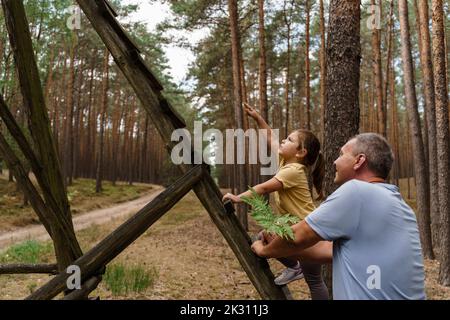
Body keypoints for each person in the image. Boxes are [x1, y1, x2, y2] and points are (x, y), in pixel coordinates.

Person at [251, 133, 426, 300]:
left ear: (359, 161)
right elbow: (327, 250)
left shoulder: (357, 191)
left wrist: (263, 250)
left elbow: (297, 236)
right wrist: (277, 244)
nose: (335, 161)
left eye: (341, 154)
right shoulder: (402, 207)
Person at [222, 103, 329, 300]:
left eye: (289, 139)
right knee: (315, 280)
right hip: (309, 229)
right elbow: (271, 137)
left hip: (303, 231)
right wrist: (258, 118)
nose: (283, 140)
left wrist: (238, 198)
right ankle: (295, 268)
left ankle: (294, 267)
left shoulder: (293, 170)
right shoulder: (288, 163)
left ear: (300, 152)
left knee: (263, 237)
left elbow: (264, 188)